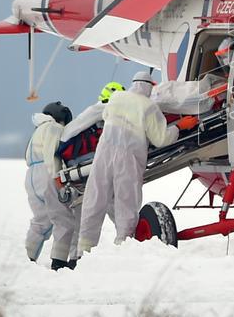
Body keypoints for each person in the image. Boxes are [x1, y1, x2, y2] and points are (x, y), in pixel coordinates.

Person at [78, 71, 198, 251]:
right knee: (126, 203)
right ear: (150, 87)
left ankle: (83, 249)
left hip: (104, 153)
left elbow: (105, 118)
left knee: (95, 199)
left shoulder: (116, 97)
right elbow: (161, 139)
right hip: (129, 157)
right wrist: (180, 126)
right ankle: (124, 246)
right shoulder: (149, 106)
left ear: (134, 83)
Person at [24, 101, 73, 268]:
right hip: (47, 174)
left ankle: (28, 258)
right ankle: (59, 262)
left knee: (41, 221)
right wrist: (57, 177)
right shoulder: (53, 128)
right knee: (63, 219)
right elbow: (51, 153)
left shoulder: (37, 130)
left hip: (31, 176)